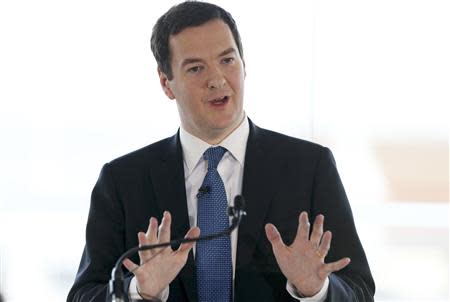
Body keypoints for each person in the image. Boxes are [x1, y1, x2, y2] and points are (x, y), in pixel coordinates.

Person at [67, 1, 375, 301]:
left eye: (227, 60)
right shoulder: (122, 181)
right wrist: (138, 291)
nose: (216, 80)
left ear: (244, 64)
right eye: (196, 68)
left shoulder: (309, 168)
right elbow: (84, 294)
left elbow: (359, 291)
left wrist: (316, 290)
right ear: (166, 83)